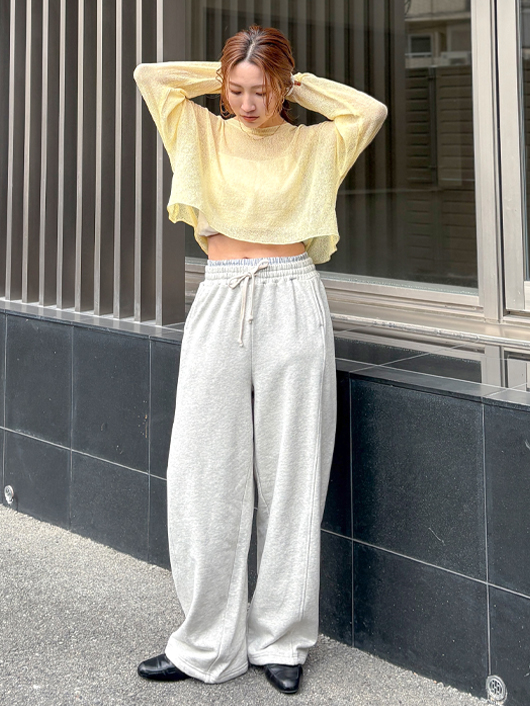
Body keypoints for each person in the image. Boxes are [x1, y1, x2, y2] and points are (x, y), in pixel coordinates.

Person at [133, 25, 387, 695]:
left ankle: (281, 639)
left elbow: (369, 111)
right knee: (202, 470)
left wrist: (295, 84)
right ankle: (206, 645)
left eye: (262, 91)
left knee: (291, 470)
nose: (247, 105)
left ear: (284, 88)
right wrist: (228, 69)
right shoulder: (198, 130)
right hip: (220, 294)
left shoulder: (315, 143)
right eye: (237, 91)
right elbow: (150, 77)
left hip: (292, 294)